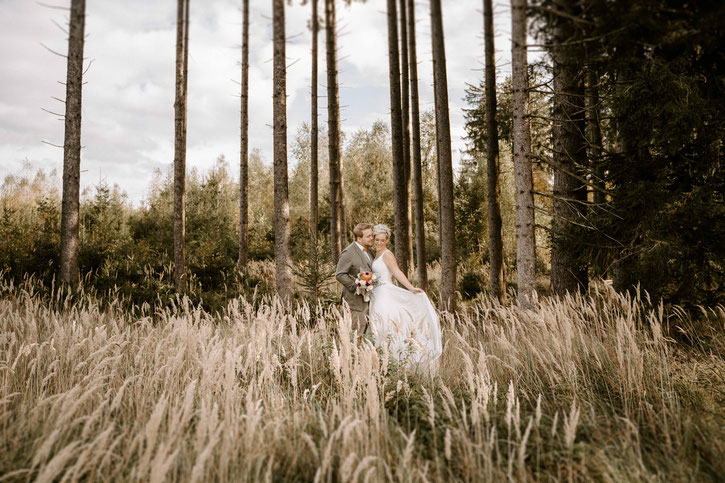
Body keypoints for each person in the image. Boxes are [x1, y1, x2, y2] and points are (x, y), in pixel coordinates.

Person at [368, 224, 442, 370]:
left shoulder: (387, 254)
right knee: (379, 325)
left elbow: (398, 271)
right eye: (377, 240)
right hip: (376, 293)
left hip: (384, 294)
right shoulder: (375, 255)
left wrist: (411, 288)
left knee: (385, 324)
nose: (379, 243)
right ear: (374, 239)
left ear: (387, 240)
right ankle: (382, 361)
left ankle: (394, 359)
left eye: (382, 240)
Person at [335, 223, 375, 338]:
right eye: (368, 236)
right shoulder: (349, 252)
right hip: (355, 303)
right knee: (356, 335)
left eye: (372, 235)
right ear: (359, 238)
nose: (372, 238)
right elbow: (340, 274)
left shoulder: (369, 251)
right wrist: (357, 287)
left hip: (369, 301)